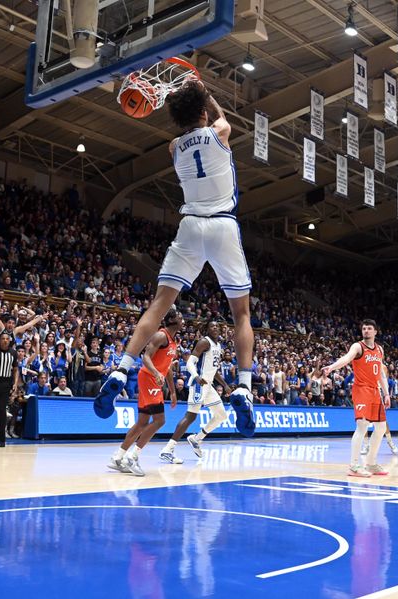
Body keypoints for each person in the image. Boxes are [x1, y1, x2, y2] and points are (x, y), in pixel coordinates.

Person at [95, 78, 255, 434]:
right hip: (222, 225)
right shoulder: (220, 131)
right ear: (203, 112)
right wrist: (205, 91)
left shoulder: (173, 147)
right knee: (240, 312)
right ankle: (244, 386)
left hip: (190, 226)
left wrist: (189, 99)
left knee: (159, 306)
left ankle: (121, 367)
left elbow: (189, 125)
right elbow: (222, 118)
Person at [109, 309, 182, 476]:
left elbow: (168, 368)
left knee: (142, 422)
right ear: (171, 320)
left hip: (153, 379)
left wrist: (172, 391)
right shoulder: (161, 336)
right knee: (160, 420)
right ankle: (133, 457)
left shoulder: (173, 340)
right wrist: (156, 373)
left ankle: (118, 457)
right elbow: (146, 357)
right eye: (179, 317)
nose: (182, 319)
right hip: (149, 378)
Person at [323, 319, 391, 477]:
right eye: (364, 328)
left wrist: (386, 393)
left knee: (381, 428)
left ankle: (371, 463)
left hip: (376, 391)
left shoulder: (379, 349)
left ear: (375, 332)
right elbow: (347, 358)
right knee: (362, 427)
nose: (366, 331)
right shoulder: (358, 346)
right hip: (361, 390)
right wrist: (332, 367)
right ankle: (354, 466)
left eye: (369, 328)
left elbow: (380, 373)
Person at [159, 321, 231, 463]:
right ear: (207, 329)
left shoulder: (218, 346)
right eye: (212, 326)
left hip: (208, 385)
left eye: (217, 326)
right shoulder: (204, 342)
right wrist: (196, 376)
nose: (215, 328)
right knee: (190, 416)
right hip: (199, 384)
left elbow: (213, 370)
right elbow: (190, 362)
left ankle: (197, 438)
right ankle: (168, 449)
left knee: (221, 415)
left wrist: (225, 385)